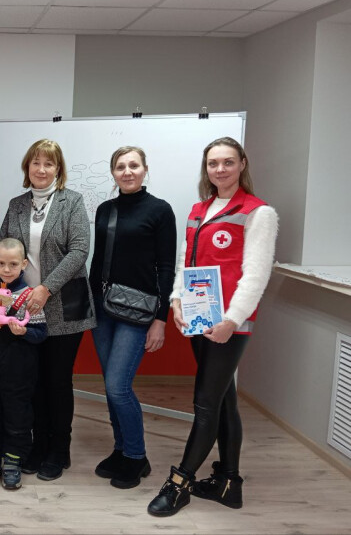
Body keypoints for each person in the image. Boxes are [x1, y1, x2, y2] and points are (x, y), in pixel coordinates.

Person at [147, 137, 278, 517]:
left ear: (242, 164)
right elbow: (185, 263)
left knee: (205, 403)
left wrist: (232, 321)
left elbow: (256, 274)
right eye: (213, 163)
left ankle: (180, 483)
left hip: (228, 324)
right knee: (224, 400)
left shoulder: (258, 212)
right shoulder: (199, 210)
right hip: (199, 318)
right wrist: (176, 299)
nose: (220, 169)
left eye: (228, 162)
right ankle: (228, 483)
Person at [0, 139, 97, 481]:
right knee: (31, 380)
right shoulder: (17, 205)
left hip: (61, 305)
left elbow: (79, 251)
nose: (41, 169)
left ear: (58, 169)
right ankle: (36, 445)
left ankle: (59, 450)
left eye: (49, 163)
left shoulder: (72, 202)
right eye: (36, 163)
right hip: (24, 308)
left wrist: (46, 288)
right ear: (27, 167)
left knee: (57, 381)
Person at [88, 147, 177, 488]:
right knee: (111, 387)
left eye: (134, 165)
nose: (127, 171)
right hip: (103, 307)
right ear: (113, 172)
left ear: (144, 169)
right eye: (121, 166)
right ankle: (121, 449)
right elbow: (98, 262)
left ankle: (137, 457)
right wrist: (89, 305)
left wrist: (161, 319)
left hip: (138, 312)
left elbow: (166, 267)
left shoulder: (160, 210)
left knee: (118, 386)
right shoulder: (105, 210)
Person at [0, 238, 47, 490]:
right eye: (1, 263)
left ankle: (14, 458)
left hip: (19, 371)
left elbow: (41, 333)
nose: (6, 269)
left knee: (18, 413)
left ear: (23, 264)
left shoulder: (30, 296)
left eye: (13, 264)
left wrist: (24, 332)